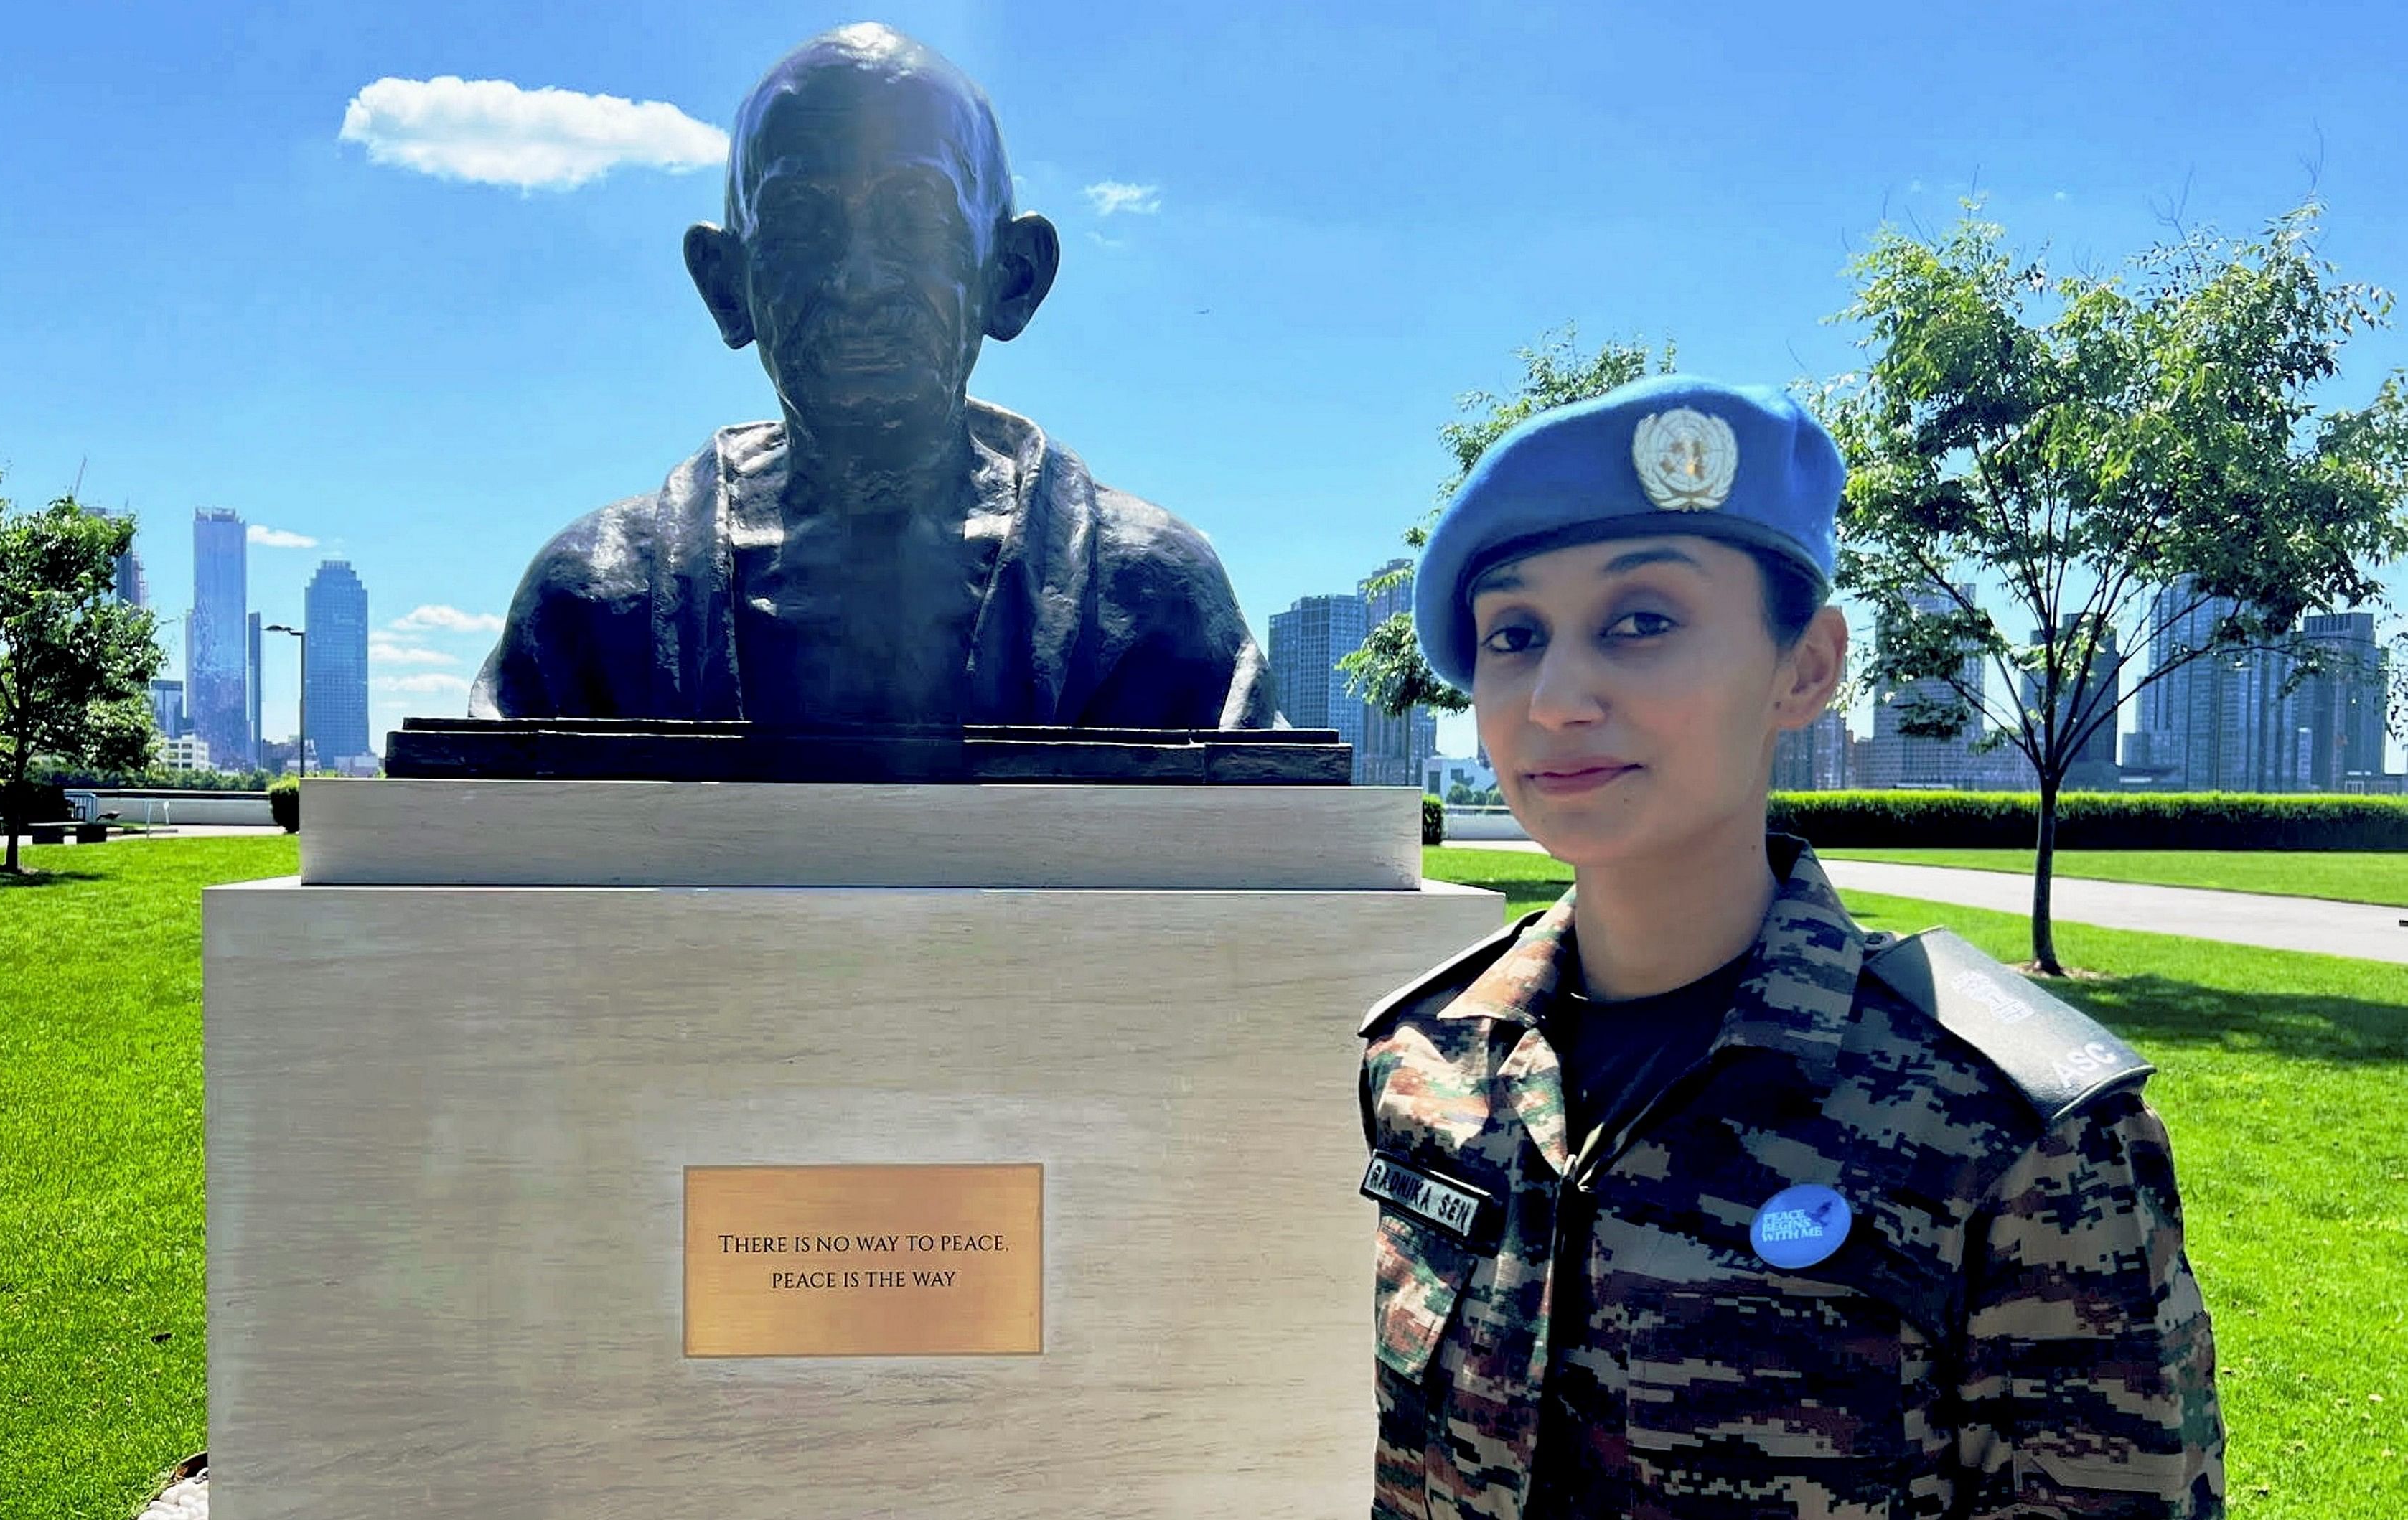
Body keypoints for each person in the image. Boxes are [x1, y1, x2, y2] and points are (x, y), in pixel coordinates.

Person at [1359, 376, 2223, 1517]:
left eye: (1641, 621)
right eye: (1513, 637)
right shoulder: (1429, 1059)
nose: (1556, 695)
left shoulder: (2008, 1128)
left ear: (1806, 668)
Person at [470, 24, 1275, 730]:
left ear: (1013, 277)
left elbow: (1270, 871)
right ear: (727, 285)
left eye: (913, 221)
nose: (858, 281)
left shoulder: (1155, 610)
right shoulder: (591, 613)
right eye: (800, 226)